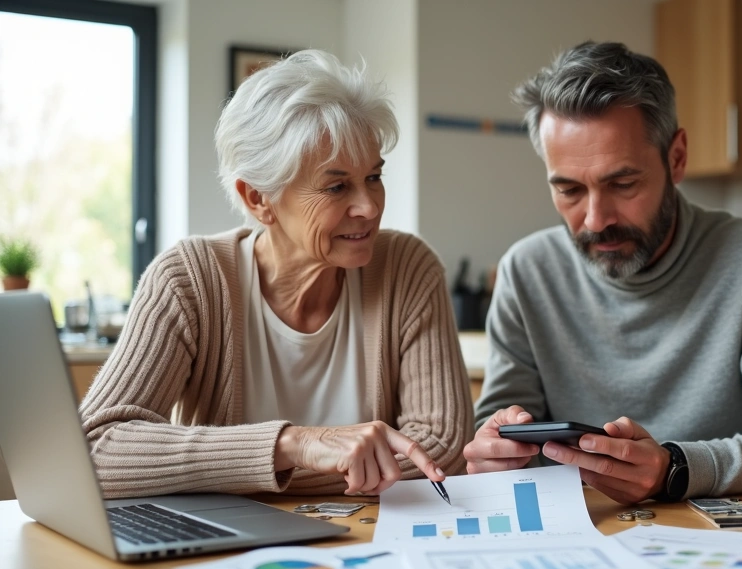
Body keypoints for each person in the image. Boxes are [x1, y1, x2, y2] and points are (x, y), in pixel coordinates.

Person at [81, 50, 471, 498]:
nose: (369, 207)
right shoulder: (187, 280)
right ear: (258, 198)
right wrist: (293, 446)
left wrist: (230, 476)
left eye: (374, 177)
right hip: (225, 551)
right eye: (337, 185)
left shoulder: (407, 268)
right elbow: (95, 450)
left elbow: (442, 450)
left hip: (370, 541)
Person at [463, 42, 742, 505]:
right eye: (568, 189)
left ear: (677, 158)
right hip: (578, 529)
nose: (594, 219)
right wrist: (492, 453)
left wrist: (676, 468)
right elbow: (497, 423)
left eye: (622, 184)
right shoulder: (526, 271)